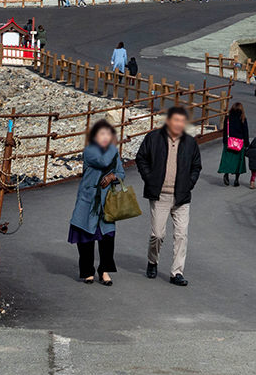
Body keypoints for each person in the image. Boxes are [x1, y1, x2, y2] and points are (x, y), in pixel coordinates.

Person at [135, 106, 201, 285]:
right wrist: (149, 178)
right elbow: (141, 158)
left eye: (182, 121)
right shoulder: (154, 138)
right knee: (157, 234)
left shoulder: (190, 142)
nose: (179, 124)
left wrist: (189, 183)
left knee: (181, 235)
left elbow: (196, 166)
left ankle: (176, 273)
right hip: (160, 194)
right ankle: (152, 261)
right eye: (176, 120)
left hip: (182, 196)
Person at [69, 119, 126, 285]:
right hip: (88, 201)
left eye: (108, 134)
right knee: (86, 237)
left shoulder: (112, 153)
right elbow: (103, 162)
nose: (105, 137)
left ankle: (105, 271)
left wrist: (113, 176)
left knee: (107, 238)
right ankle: (88, 271)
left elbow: (121, 173)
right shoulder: (90, 151)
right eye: (102, 134)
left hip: (107, 202)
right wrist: (114, 149)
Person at [219, 103, 249, 186]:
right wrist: (247, 144)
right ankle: (236, 180)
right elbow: (245, 132)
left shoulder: (228, 118)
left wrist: (224, 141)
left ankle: (226, 174)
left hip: (229, 142)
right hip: (239, 143)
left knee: (228, 160)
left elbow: (225, 131)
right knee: (238, 162)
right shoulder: (242, 118)